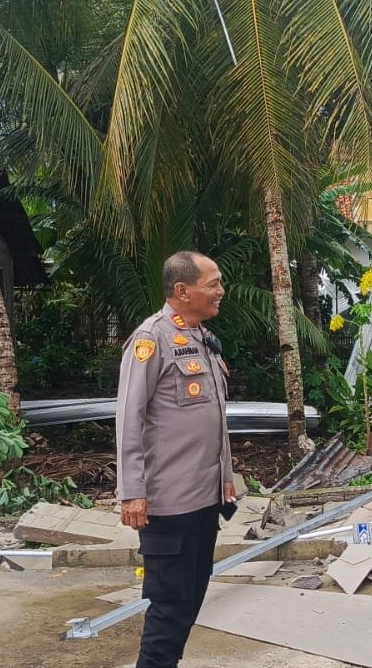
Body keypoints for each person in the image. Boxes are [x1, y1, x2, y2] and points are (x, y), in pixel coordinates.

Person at [117, 251, 236, 668]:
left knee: (189, 602)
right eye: (214, 283)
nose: (221, 291)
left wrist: (226, 481)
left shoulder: (201, 338)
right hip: (168, 504)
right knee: (168, 608)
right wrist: (132, 491)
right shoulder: (152, 339)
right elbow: (128, 418)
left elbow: (211, 422)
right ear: (182, 291)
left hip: (203, 500)